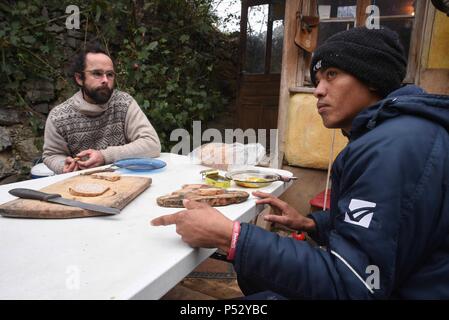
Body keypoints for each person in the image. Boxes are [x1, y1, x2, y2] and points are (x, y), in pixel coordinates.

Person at [151, 27, 449, 299]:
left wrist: (232, 236)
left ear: (372, 77)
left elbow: (356, 283)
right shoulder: (391, 134)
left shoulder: (393, 148)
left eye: (331, 75)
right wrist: (312, 224)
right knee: (253, 272)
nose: (318, 90)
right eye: (317, 80)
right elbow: (382, 231)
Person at [43, 43, 161, 174]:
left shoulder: (123, 103)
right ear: (79, 78)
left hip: (125, 181)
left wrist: (105, 156)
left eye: (110, 74)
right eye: (97, 73)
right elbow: (52, 155)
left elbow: (152, 144)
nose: (105, 80)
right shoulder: (59, 116)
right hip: (79, 185)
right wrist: (63, 165)